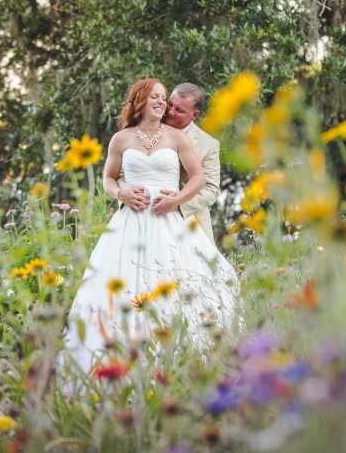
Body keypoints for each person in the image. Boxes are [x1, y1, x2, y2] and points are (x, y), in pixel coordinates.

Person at [60, 79, 238, 379]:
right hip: (130, 222)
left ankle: (178, 363)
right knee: (124, 286)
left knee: (175, 288)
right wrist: (123, 194)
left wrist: (177, 201)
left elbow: (198, 179)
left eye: (165, 99)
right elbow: (109, 179)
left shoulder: (177, 137)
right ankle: (121, 358)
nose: (163, 104)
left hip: (169, 222)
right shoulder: (120, 138)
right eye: (157, 98)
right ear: (140, 100)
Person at [117, 83, 221, 244]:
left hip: (190, 223)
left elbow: (211, 189)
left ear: (194, 115)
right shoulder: (138, 131)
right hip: (139, 216)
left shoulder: (208, 144)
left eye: (179, 110)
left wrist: (177, 204)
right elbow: (123, 173)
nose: (170, 112)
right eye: (170, 104)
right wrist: (127, 195)